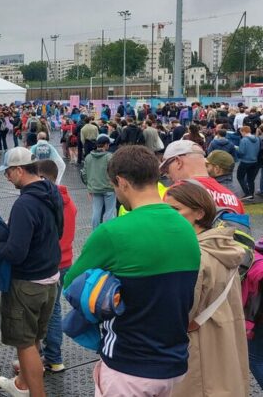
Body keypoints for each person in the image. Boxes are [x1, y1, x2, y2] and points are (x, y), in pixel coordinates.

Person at [65, 146, 200, 396]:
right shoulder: (185, 226)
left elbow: (72, 286)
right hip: (174, 361)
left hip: (129, 364)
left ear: (122, 182)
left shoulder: (112, 232)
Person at [164, 182, 249, 397]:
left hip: (198, 356)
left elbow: (182, 314)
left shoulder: (194, 256)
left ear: (199, 213)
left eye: (175, 210)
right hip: (224, 350)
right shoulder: (224, 248)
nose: (167, 215)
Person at [0, 147, 62, 397]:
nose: (7, 177)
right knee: (34, 339)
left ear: (19, 170)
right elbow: (60, 231)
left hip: (27, 282)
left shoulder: (25, 203)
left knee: (25, 344)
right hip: (50, 278)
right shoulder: (51, 191)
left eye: (8, 172)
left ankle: (35, 393)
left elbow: (16, 252)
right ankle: (22, 383)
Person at [36, 159, 77, 374]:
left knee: (47, 312)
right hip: (66, 261)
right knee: (54, 309)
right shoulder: (69, 201)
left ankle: (52, 357)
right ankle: (51, 355)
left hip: (48, 264)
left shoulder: (45, 203)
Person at [161, 139, 245, 213]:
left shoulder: (175, 193)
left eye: (167, 168)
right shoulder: (234, 198)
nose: (168, 175)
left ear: (178, 162)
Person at [84, 135, 116, 230]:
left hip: (95, 188)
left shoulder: (88, 157)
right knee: (109, 212)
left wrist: (89, 186)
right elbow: (114, 172)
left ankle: (95, 233)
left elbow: (84, 173)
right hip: (109, 188)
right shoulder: (109, 157)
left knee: (96, 212)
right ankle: (109, 231)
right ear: (106, 145)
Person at [236, 126, 260, 200]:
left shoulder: (244, 140)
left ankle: (247, 193)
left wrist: (237, 149)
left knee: (240, 177)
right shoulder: (257, 139)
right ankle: (251, 195)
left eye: (241, 132)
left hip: (245, 161)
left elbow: (241, 152)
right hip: (254, 161)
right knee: (251, 179)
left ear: (243, 132)